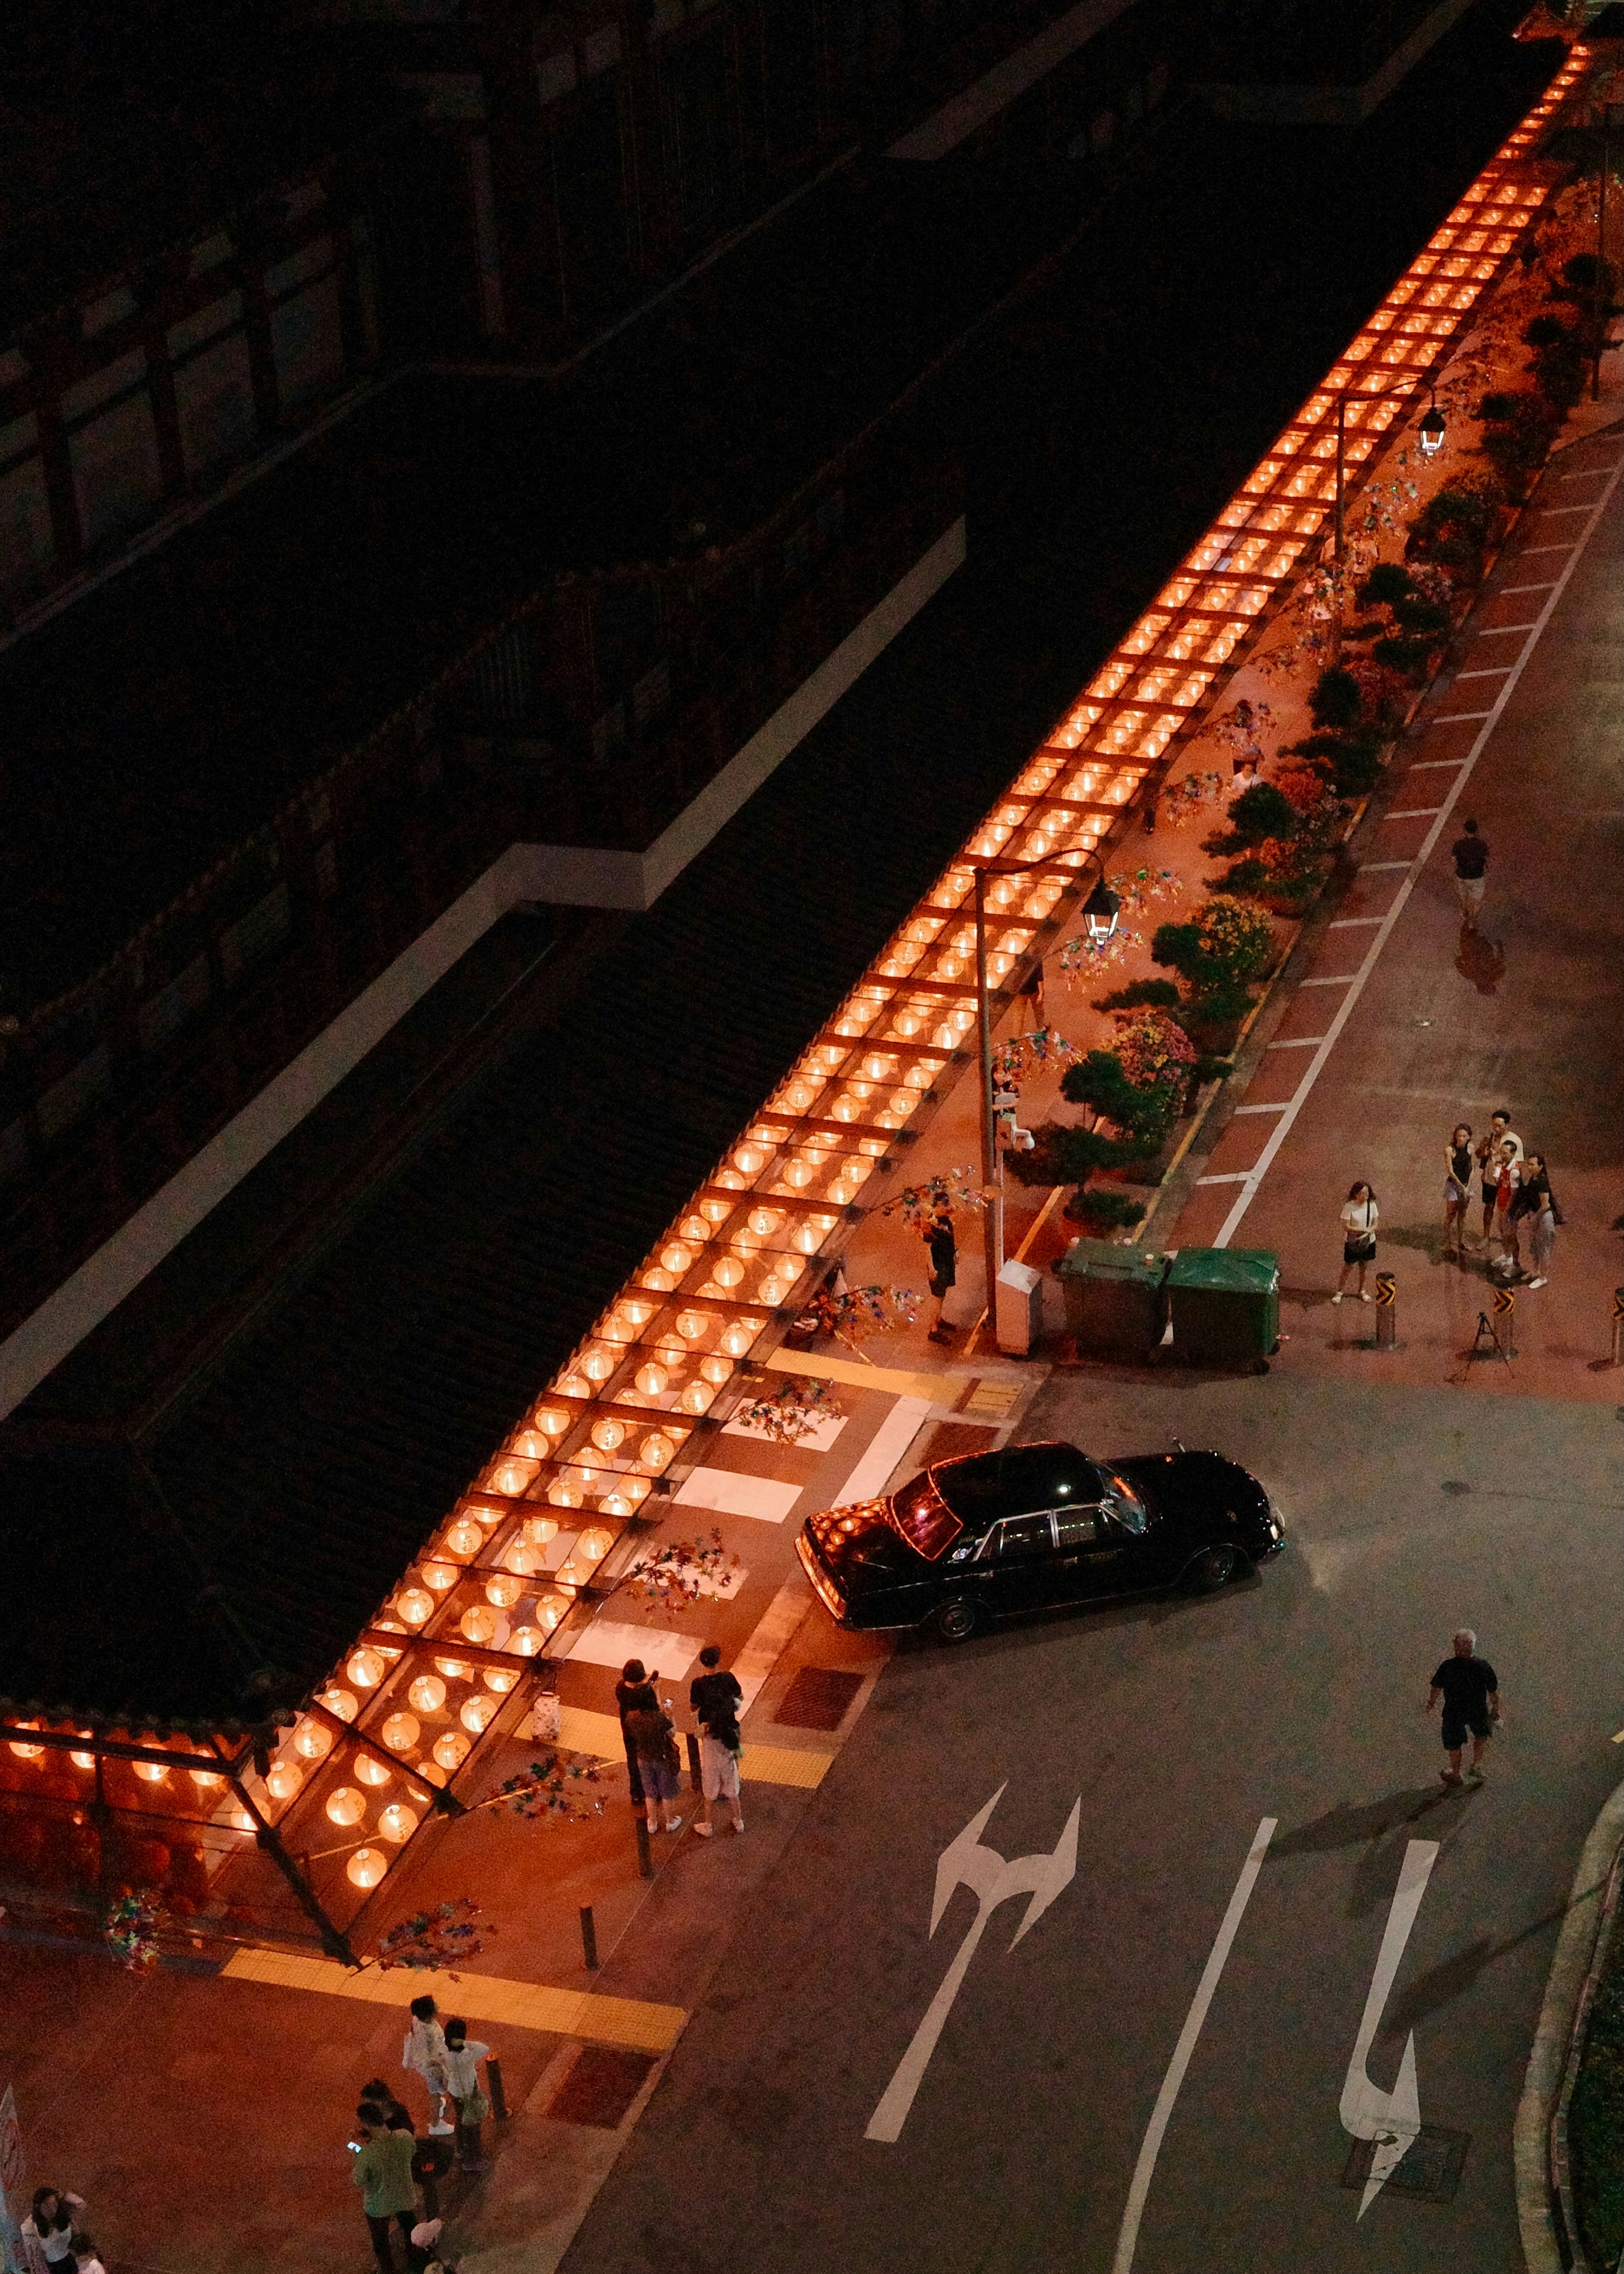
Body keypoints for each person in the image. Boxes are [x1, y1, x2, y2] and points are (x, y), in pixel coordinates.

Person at [1427, 1628, 1501, 1786]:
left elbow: (1436, 1687)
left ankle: (1456, 1773)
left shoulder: (1448, 1667)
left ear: (1456, 1646)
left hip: (1454, 1711)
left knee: (1454, 1742)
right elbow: (1493, 1690)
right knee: (1481, 1735)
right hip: (1478, 1709)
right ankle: (1476, 1765)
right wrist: (1496, 1708)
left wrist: (1431, 1703)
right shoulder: (1483, 1666)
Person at [351, 2109, 419, 2273]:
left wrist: (356, 2151)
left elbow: (359, 2180)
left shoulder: (367, 2153)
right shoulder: (405, 2136)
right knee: (410, 2226)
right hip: (405, 2195)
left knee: (380, 2241)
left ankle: (389, 2270)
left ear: (366, 2125)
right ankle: (416, 2259)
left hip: (379, 2205)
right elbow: (412, 2152)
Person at [689, 1643, 745, 1839]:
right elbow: (740, 1696)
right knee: (732, 1783)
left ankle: (709, 1825)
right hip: (729, 1736)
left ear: (703, 1663)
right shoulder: (728, 1678)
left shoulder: (698, 1684)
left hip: (710, 1739)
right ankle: (738, 1821)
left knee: (710, 1785)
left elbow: (693, 1706)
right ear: (718, 1661)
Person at [624, 1700, 683, 1835]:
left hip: (643, 1758)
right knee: (666, 1792)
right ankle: (670, 1822)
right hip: (662, 1758)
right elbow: (672, 1732)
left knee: (650, 1793)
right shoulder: (659, 1718)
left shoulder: (633, 1718)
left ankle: (652, 1823)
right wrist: (671, 1715)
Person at [440, 2019, 491, 2173]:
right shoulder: (466, 2055)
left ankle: (460, 2149)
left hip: (455, 2091)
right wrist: (465, 2043)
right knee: (472, 2128)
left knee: (460, 2120)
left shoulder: (443, 2049)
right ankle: (472, 2161)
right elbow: (484, 2048)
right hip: (468, 2093)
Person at [614, 1657, 658, 1809]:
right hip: (645, 1732)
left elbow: (636, 1693)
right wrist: (652, 1688)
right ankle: (653, 1790)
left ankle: (637, 1793)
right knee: (649, 1760)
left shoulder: (620, 1688)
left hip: (628, 1730)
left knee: (632, 1760)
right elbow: (655, 1709)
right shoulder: (645, 1693)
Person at [1474, 1110, 1522, 1244]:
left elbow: (1519, 1163)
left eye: (1500, 1126)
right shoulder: (1489, 1139)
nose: (1497, 1128)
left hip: (1506, 1180)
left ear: (1507, 1125)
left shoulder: (1514, 1141)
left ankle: (1506, 1233)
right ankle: (1486, 1236)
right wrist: (1483, 1151)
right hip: (1490, 1177)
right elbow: (1479, 1154)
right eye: (1494, 1125)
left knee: (1506, 1208)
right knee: (1489, 1206)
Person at [401, 1996, 448, 2121]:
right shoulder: (430, 2032)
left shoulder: (417, 2019)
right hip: (432, 2068)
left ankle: (439, 2106)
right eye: (434, 2005)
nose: (437, 2006)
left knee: (436, 2090)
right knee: (435, 2092)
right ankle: (435, 2123)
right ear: (429, 2014)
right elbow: (434, 2053)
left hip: (426, 2064)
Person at [1333, 1181, 1379, 1303]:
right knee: (1348, 1267)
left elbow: (1375, 1223)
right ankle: (1339, 1292)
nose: (1365, 1196)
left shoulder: (1372, 1205)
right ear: (1356, 1194)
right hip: (1353, 1242)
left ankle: (1361, 1290)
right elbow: (1346, 1226)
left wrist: (1368, 1232)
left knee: (1364, 1267)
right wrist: (1363, 1230)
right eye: (1362, 1193)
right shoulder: (1349, 1207)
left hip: (1368, 1241)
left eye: (1367, 1193)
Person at [1518, 1151, 1558, 1288]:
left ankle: (1543, 1277)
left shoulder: (1542, 1181)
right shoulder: (1533, 1179)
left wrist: (1535, 1218)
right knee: (1535, 1245)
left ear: (1541, 1166)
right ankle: (1535, 1271)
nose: (1529, 1167)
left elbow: (1545, 1205)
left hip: (1544, 1218)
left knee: (1544, 1248)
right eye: (1528, 1164)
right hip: (1535, 1215)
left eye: (1532, 1165)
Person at [923, 1200, 957, 1345]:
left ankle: (938, 1319)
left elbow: (951, 1240)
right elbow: (927, 1249)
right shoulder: (930, 1225)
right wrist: (932, 1268)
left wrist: (955, 1252)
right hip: (937, 1266)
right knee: (937, 1298)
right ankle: (934, 1330)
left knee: (942, 1296)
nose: (947, 1207)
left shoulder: (946, 1222)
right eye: (944, 1204)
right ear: (936, 1206)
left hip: (946, 1264)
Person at [22, 2189, 85, 2265]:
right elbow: (31, 2254)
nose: (52, 2210)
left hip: (71, 2259)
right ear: (38, 2207)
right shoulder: (31, 2225)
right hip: (52, 2266)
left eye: (54, 2205)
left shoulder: (62, 2216)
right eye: (47, 2206)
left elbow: (80, 2204)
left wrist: (64, 2195)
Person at [1450, 818, 1489, 926]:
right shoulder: (1482, 844)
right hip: (1477, 877)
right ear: (1477, 830)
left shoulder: (1458, 844)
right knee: (1477, 903)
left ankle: (1464, 913)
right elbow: (1487, 859)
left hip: (1462, 876)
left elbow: (1453, 860)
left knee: (1463, 898)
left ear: (1465, 830)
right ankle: (1472, 921)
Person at [1443, 1123, 1473, 1261]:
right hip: (1453, 1186)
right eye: (1458, 1136)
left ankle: (1461, 1241)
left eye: (1464, 1136)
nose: (1461, 1138)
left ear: (1469, 1137)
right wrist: (1462, 1187)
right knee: (1451, 1214)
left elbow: (1472, 1168)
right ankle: (1447, 1243)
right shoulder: (1450, 1150)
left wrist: (1469, 1186)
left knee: (1463, 1214)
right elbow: (1451, 1171)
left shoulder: (1470, 1148)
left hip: (1466, 1185)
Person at [1490, 1139, 1521, 1271]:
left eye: (1505, 1153)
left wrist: (1507, 1211)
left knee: (1511, 1235)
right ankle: (1507, 1256)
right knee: (1502, 1231)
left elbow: (1514, 1194)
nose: (1502, 1155)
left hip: (1510, 1210)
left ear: (1513, 1153)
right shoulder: (1503, 1165)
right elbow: (1497, 1182)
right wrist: (1497, 1169)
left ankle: (1515, 1264)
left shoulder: (1514, 1171)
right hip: (1501, 1204)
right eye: (1501, 1152)